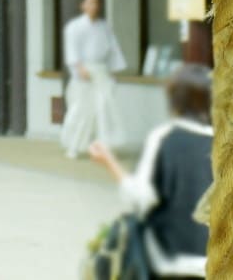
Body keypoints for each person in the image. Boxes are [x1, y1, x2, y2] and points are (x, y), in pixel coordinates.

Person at [88, 62, 214, 278]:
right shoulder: (220, 142)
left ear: (175, 100)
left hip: (167, 260)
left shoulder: (164, 138)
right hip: (212, 259)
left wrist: (109, 162)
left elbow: (140, 200)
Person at [61, 0, 126, 159]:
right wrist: (79, 68)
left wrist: (112, 71)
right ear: (83, 5)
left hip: (101, 70)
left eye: (95, 3)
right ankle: (74, 146)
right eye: (89, 3)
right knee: (82, 109)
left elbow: (112, 49)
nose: (93, 6)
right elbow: (72, 49)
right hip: (84, 71)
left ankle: (104, 147)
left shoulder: (104, 26)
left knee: (105, 108)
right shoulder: (74, 27)